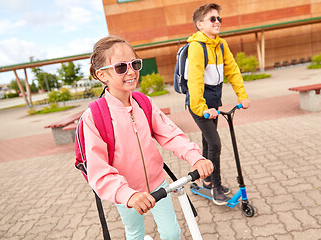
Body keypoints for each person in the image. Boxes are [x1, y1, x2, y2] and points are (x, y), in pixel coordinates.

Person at [84, 35, 214, 240]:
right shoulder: (94, 117)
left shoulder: (143, 103)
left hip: (157, 184)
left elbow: (170, 134)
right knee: (135, 234)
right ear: (102, 75)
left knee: (172, 233)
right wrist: (128, 195)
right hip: (126, 192)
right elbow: (98, 170)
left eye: (135, 64)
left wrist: (195, 157)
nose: (131, 72)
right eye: (121, 67)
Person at [186, 3, 250, 205]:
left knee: (207, 142)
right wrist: (202, 109)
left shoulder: (221, 45)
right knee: (215, 144)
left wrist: (242, 96)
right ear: (200, 24)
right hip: (199, 105)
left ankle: (205, 179)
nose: (217, 22)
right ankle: (215, 186)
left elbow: (233, 70)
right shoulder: (197, 47)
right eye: (212, 19)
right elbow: (195, 80)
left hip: (214, 103)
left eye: (218, 18)